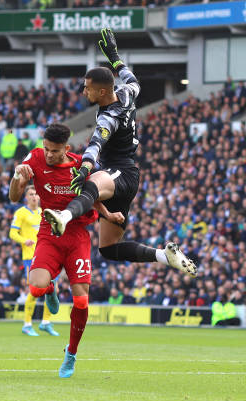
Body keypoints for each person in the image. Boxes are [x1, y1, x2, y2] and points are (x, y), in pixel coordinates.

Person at [43, 29, 196, 277]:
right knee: (109, 249)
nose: (84, 92)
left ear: (102, 92)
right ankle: (163, 256)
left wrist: (85, 168)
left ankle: (64, 216)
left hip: (121, 173)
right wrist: (114, 56)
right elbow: (132, 78)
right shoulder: (127, 92)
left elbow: (96, 143)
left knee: (88, 184)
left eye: (88, 88)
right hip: (122, 176)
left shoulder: (109, 117)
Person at [10, 123, 124, 378]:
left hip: (76, 236)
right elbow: (13, 197)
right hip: (49, 232)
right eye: (47, 149)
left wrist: (108, 214)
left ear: (67, 149)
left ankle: (71, 354)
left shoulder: (79, 166)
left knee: (82, 300)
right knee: (37, 287)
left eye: (55, 151)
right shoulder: (35, 159)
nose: (49, 155)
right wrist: (18, 176)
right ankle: (50, 291)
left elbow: (92, 196)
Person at [9, 185, 58, 337]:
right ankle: (27, 324)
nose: (34, 197)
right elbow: (12, 233)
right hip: (30, 257)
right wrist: (24, 240)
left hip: (47, 256)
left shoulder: (43, 212)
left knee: (51, 288)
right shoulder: (21, 213)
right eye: (31, 194)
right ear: (26, 197)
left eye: (36, 194)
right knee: (35, 291)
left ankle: (45, 322)